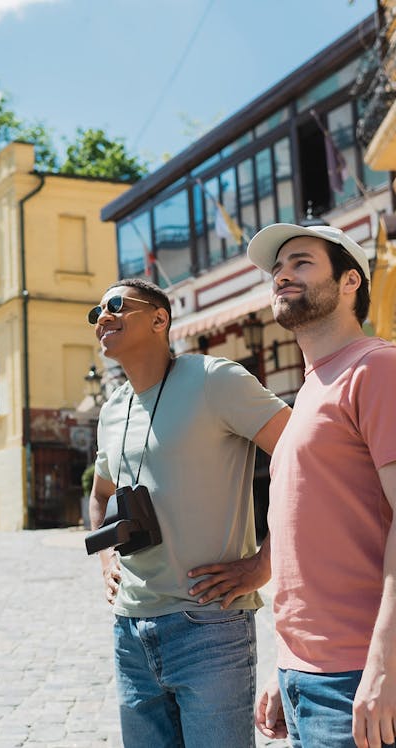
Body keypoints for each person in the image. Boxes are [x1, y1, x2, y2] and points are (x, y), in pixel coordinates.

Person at [87, 277, 290, 747]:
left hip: (209, 625)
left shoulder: (215, 379)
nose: (102, 317)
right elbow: (100, 494)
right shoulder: (113, 407)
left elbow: (306, 456)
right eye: (95, 312)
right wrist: (105, 558)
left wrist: (266, 562)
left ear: (161, 319)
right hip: (129, 630)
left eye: (116, 305)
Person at [247, 223, 396, 748]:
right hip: (305, 677)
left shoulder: (377, 368)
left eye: (302, 262)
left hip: (361, 676)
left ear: (350, 280)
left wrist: (383, 667)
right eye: (278, 267)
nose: (283, 273)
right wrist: (284, 668)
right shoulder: (310, 388)